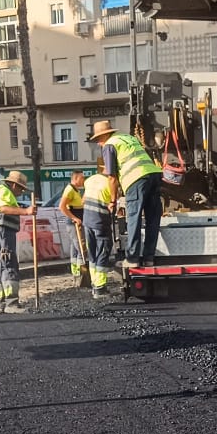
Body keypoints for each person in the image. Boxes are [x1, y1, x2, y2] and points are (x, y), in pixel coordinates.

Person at [89, 119, 163, 267]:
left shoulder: (110, 145)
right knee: (152, 220)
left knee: (134, 219)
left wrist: (113, 201)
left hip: (136, 179)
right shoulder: (128, 138)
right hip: (154, 175)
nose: (98, 143)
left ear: (104, 136)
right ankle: (149, 258)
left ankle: (132, 259)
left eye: (98, 139)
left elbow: (111, 177)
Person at [0, 170, 32, 310]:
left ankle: (2, 302)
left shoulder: (0, 191)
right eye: (21, 188)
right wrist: (26, 211)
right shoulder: (4, 191)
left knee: (0, 265)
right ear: (14, 185)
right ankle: (11, 302)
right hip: (2, 232)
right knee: (8, 262)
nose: (22, 192)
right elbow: (4, 208)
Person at [81, 163, 120, 299]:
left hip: (87, 221)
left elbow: (83, 200)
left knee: (92, 255)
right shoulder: (111, 183)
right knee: (103, 252)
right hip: (100, 222)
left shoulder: (89, 180)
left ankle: (94, 284)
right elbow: (113, 205)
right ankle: (100, 288)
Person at [57, 169, 87, 282]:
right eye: (81, 178)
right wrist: (74, 218)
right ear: (75, 178)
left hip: (76, 222)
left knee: (74, 248)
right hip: (74, 224)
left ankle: (76, 272)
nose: (83, 180)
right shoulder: (69, 190)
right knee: (80, 247)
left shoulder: (76, 191)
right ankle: (81, 274)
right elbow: (62, 206)